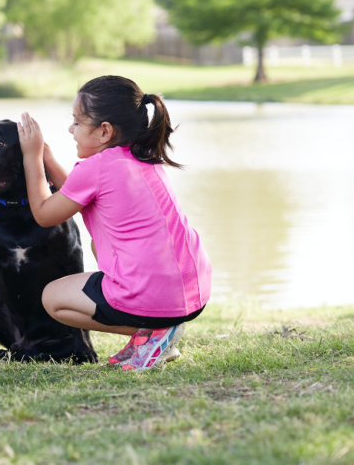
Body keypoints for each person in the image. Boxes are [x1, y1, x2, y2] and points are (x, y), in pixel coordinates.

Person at [16, 75, 211, 372]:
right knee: (99, 241)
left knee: (52, 298)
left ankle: (153, 332)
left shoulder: (96, 168)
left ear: (104, 131)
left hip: (159, 297)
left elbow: (44, 213)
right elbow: (75, 195)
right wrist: (49, 157)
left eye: (77, 123)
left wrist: (31, 157)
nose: (71, 129)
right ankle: (158, 327)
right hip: (193, 290)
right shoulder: (143, 157)